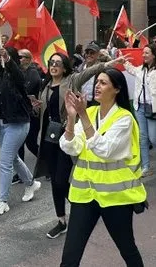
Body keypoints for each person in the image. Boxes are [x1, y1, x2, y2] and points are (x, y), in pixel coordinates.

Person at [59, 68, 146, 267]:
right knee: (70, 256)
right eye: (97, 82)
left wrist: (83, 115)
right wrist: (72, 118)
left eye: (104, 83)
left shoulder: (124, 119)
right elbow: (71, 147)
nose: (97, 86)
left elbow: (105, 150)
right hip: (85, 195)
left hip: (115, 198)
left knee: (128, 250)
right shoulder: (90, 112)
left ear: (117, 89)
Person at [32, 52, 121, 239]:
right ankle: (61, 221)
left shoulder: (72, 80)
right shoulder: (45, 85)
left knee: (60, 181)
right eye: (51, 62)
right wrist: (37, 107)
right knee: (55, 184)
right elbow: (44, 113)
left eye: (58, 63)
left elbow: (92, 70)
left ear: (64, 67)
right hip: (49, 138)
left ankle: (83, 211)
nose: (54, 65)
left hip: (67, 136)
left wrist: (111, 62)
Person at [0, 47, 41, 216]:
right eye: (0, 57)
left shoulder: (20, 75)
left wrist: (8, 59)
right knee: (14, 158)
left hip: (18, 124)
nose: (2, 59)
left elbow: (17, 77)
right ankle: (31, 183)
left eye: (5, 57)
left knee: (5, 162)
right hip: (2, 124)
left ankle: (2, 201)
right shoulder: (0, 76)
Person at [123, 44, 156, 176]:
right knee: (143, 137)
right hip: (140, 107)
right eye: (143, 53)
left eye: (147, 53)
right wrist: (122, 61)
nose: (143, 55)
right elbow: (131, 70)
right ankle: (145, 166)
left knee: (154, 139)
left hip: (155, 109)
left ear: (153, 54)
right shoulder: (141, 69)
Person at [17, 49, 42, 167]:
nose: (18, 59)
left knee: (31, 143)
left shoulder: (33, 72)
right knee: (19, 144)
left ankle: (46, 163)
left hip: (32, 114)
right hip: (22, 112)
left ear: (27, 59)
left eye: (21, 57)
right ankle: (21, 173)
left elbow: (27, 89)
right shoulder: (20, 71)